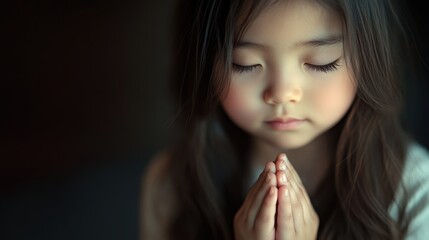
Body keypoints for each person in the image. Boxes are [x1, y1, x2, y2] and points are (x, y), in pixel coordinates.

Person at [140, 0, 429, 239]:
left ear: (370, 57)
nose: (282, 94)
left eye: (321, 62)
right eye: (245, 64)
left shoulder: (415, 190)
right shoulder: (172, 186)